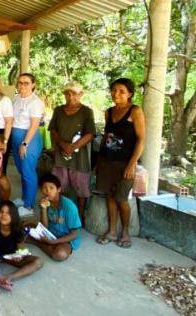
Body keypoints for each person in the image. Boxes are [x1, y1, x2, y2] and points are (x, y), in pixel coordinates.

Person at [96, 78, 145, 249]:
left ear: (130, 94)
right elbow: (106, 137)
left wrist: (132, 164)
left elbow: (141, 140)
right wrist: (98, 161)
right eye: (114, 90)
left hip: (126, 164)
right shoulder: (109, 112)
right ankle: (111, 231)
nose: (116, 94)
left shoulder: (135, 111)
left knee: (121, 198)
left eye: (122, 91)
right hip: (107, 162)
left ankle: (125, 232)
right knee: (110, 196)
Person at [48, 81, 96, 222]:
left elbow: (90, 134)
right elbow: (54, 130)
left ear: (80, 94)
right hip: (61, 155)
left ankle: (79, 217)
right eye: (67, 93)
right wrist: (63, 145)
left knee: (81, 189)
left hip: (79, 157)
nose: (70, 97)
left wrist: (73, 147)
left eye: (74, 94)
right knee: (59, 187)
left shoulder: (86, 111)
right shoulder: (58, 110)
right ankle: (59, 214)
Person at [0, 200, 42, 293]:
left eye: (8, 213)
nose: (3, 215)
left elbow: (21, 249)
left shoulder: (18, 230)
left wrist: (19, 255)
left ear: (13, 216)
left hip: (12, 256)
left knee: (38, 262)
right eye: (1, 212)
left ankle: (8, 278)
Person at [11, 73, 44, 216]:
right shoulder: (15, 99)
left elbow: (34, 125)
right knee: (22, 171)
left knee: (28, 172)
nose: (23, 85)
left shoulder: (35, 102)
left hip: (28, 139)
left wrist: (24, 143)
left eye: (26, 83)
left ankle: (29, 206)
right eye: (20, 82)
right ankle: (24, 199)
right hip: (16, 138)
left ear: (33, 84)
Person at [31, 174, 82, 261]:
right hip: (51, 233)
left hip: (66, 238)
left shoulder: (69, 207)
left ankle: (38, 243)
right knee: (23, 227)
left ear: (58, 189)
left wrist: (53, 242)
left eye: (51, 188)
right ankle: (46, 243)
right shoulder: (45, 202)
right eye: (44, 188)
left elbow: (74, 234)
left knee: (59, 255)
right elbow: (45, 227)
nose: (48, 191)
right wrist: (43, 209)